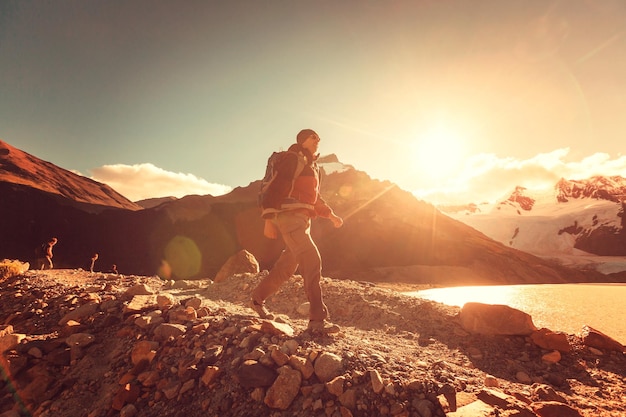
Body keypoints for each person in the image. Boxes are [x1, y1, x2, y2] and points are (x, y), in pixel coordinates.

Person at [250, 129, 344, 335]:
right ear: (302, 140)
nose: (318, 141)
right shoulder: (293, 159)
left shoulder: (311, 166)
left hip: (303, 221)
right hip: (289, 219)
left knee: (286, 267)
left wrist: (331, 215)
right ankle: (317, 321)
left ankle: (257, 300)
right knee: (312, 260)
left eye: (319, 138)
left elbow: (314, 199)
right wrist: (268, 219)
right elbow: (277, 189)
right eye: (313, 137)